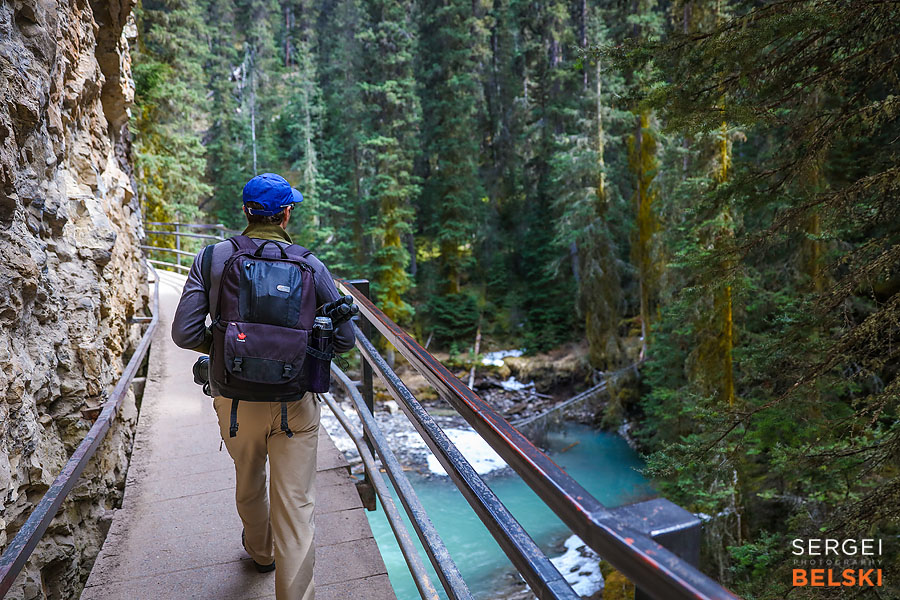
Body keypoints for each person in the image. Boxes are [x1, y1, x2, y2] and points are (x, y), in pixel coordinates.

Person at [170, 173, 355, 600]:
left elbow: (183, 333)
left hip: (235, 401)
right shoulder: (310, 265)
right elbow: (342, 341)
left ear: (245, 212)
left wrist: (225, 349)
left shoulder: (213, 258)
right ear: (288, 213)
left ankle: (260, 551)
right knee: (297, 505)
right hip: (296, 403)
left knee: (249, 479)